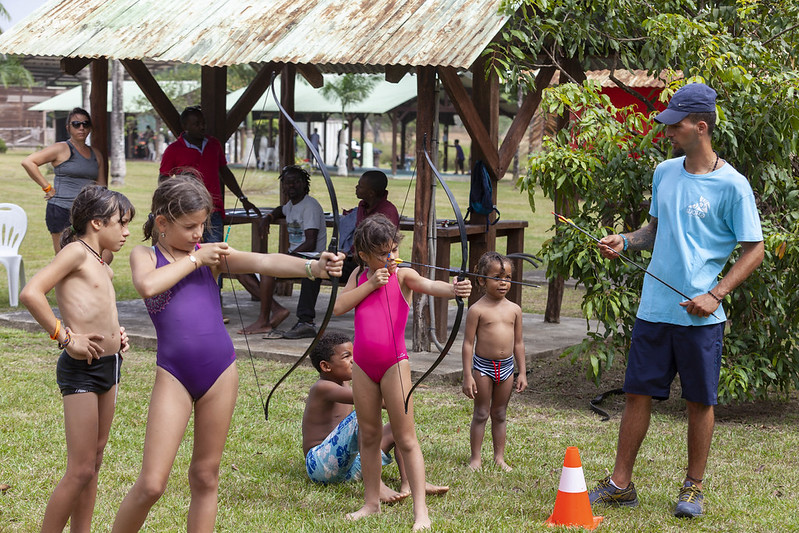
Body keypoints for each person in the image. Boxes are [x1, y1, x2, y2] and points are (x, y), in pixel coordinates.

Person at [111, 174, 343, 532]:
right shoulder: (146, 255)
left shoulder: (210, 254)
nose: (198, 234)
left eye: (202, 225)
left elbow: (265, 262)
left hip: (219, 371)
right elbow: (147, 284)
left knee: (206, 476)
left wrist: (314, 267)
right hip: (173, 373)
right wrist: (196, 259)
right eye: (190, 227)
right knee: (152, 483)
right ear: (162, 223)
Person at [589, 83, 764, 519]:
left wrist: (716, 293)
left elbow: (754, 249)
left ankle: (693, 488)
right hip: (655, 309)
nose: (668, 132)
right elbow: (654, 229)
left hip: (701, 317)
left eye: (676, 125)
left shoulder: (732, 185)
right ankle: (620, 485)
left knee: (699, 402)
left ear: (700, 127)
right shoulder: (664, 172)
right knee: (636, 394)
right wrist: (626, 242)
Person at [333, 215, 471, 530]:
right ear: (364, 255)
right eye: (382, 253)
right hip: (363, 366)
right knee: (368, 435)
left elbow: (430, 285)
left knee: (406, 438)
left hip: (395, 363)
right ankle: (371, 503)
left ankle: (421, 512)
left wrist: (455, 288)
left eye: (394, 250)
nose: (391, 258)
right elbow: (339, 306)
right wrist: (370, 282)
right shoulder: (358, 275)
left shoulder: (404, 274)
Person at [19, 185, 134, 532]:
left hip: (110, 365)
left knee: (95, 462)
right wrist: (65, 337)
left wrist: (118, 334)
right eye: (121, 223)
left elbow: (97, 307)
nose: (127, 231)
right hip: (81, 370)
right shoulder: (75, 253)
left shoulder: (102, 260)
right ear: (97, 223)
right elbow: (31, 292)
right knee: (80, 467)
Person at [303, 332, 449, 501]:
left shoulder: (347, 382)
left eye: (354, 354)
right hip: (320, 466)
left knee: (399, 428)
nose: (353, 360)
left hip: (350, 466)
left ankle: (411, 482)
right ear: (326, 366)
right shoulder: (322, 388)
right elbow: (376, 400)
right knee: (363, 413)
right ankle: (377, 487)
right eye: (346, 356)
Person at [236, 166, 326, 338]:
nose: (290, 185)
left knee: (269, 269)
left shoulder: (310, 206)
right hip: (295, 258)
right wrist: (268, 218)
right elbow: (280, 209)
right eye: (287, 182)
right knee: (241, 270)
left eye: (295, 182)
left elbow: (310, 242)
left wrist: (284, 259)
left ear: (304, 184)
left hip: (310, 259)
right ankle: (277, 309)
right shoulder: (291, 206)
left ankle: (263, 321)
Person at [461, 252, 527, 472]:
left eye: (507, 277)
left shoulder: (515, 310)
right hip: (483, 368)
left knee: (499, 413)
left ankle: (499, 458)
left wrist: (522, 373)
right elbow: (468, 344)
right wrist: (467, 374)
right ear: (481, 280)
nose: (503, 283)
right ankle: (476, 459)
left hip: (507, 368)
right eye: (497, 277)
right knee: (481, 413)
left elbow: (518, 343)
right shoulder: (477, 310)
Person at [159, 105, 260, 244]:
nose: (202, 127)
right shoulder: (173, 149)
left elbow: (225, 173)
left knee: (214, 255)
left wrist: (243, 199)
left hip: (214, 210)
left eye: (203, 123)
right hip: (186, 210)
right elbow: (164, 178)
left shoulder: (214, 145)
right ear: (185, 126)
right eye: (196, 124)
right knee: (188, 253)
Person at [22, 107, 107, 254]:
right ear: (68, 128)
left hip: (87, 213)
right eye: (76, 124)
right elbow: (29, 162)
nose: (81, 128)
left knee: (103, 255)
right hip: (62, 209)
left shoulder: (96, 154)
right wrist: (47, 187)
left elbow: (102, 186)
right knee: (65, 257)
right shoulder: (61, 148)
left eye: (85, 124)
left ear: (90, 128)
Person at [340, 170, 400, 281]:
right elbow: (359, 236)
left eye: (360, 186)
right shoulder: (362, 206)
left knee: (325, 269)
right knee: (318, 266)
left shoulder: (387, 211)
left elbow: (383, 245)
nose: (356, 187)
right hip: (358, 258)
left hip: (374, 263)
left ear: (371, 193)